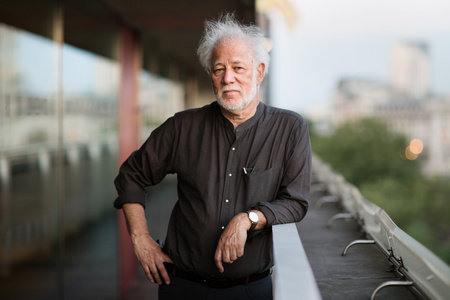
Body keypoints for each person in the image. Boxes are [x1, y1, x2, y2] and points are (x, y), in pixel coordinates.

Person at [114, 13, 311, 300]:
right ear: (211, 76)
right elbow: (131, 175)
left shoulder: (289, 128)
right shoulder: (182, 127)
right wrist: (141, 240)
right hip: (182, 287)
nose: (228, 78)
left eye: (238, 68)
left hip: (250, 290)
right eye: (219, 69)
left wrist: (248, 218)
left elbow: (296, 202)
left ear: (259, 71)